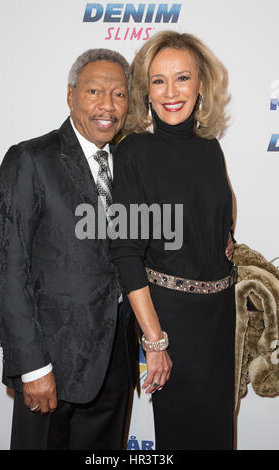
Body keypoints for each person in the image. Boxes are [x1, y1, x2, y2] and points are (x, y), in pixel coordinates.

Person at [0, 48, 138, 450]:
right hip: (51, 367)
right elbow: (5, 270)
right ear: (70, 96)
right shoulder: (30, 160)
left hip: (116, 367)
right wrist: (32, 365)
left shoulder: (131, 166)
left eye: (119, 94)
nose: (108, 105)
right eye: (94, 91)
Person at [110, 31, 237, 450]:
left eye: (182, 78)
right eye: (158, 81)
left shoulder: (210, 148)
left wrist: (224, 237)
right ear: (145, 91)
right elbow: (126, 253)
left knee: (218, 435)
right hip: (171, 323)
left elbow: (218, 205)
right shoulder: (134, 153)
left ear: (202, 85)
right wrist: (156, 341)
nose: (171, 92)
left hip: (219, 318)